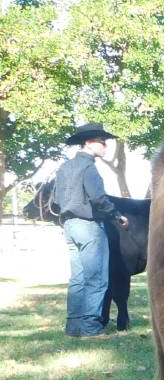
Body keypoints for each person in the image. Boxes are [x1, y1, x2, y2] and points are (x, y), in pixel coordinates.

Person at [53, 122, 128, 338]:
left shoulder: (65, 167)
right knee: (96, 278)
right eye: (102, 142)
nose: (105, 147)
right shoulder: (88, 167)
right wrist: (117, 215)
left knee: (77, 278)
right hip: (88, 226)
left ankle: (73, 327)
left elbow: (57, 199)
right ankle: (91, 328)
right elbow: (97, 198)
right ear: (88, 143)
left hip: (69, 226)